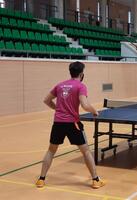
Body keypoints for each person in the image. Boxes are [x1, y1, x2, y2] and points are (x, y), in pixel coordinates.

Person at [35, 61, 105, 189]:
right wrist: (94, 111)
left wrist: (57, 109)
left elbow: (46, 100)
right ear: (81, 74)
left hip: (58, 123)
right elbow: (85, 105)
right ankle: (95, 180)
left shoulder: (60, 85)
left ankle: (41, 179)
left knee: (51, 150)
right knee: (86, 151)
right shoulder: (80, 86)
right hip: (73, 123)